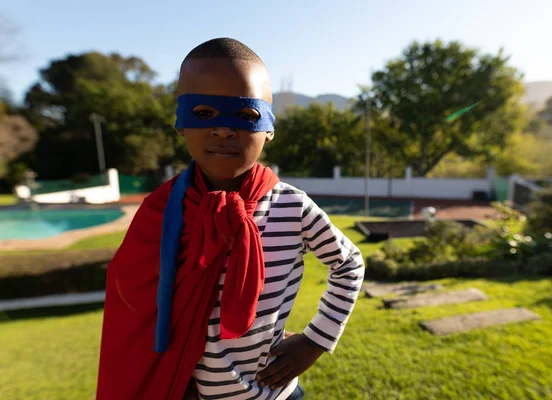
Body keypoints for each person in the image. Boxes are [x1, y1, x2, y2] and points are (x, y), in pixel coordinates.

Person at [96, 37, 365, 400]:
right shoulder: (160, 213)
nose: (223, 129)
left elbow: (349, 264)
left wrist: (316, 340)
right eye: (204, 113)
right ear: (180, 124)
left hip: (275, 394)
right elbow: (133, 309)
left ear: (269, 129)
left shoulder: (292, 207)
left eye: (246, 115)